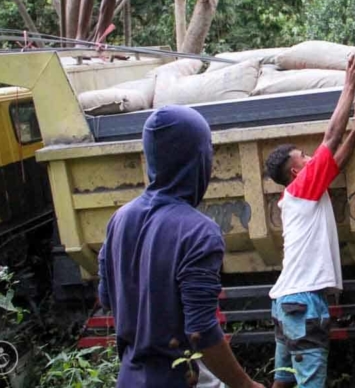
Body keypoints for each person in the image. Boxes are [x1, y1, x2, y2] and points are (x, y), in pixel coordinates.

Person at [98, 105, 264, 388]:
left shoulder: (119, 219)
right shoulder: (198, 232)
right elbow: (201, 331)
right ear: (197, 158)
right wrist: (246, 385)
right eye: (208, 149)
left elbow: (106, 298)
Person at [264, 54, 355, 388]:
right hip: (304, 301)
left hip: (285, 302)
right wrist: (349, 84)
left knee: (283, 382)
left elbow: (334, 160)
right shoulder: (301, 188)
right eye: (304, 158)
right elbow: (330, 138)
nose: (312, 158)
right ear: (296, 171)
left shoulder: (296, 196)